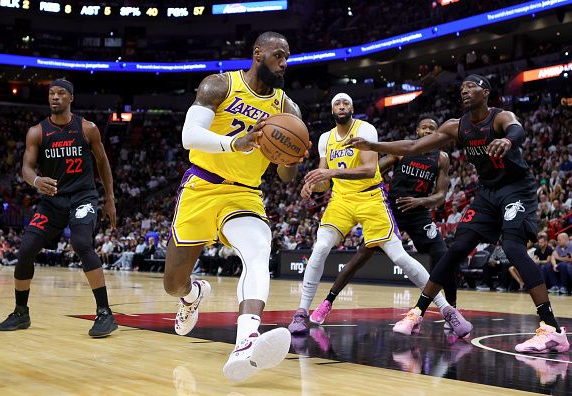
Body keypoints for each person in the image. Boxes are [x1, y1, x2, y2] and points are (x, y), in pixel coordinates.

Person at [347, 74, 570, 353]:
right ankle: (417, 313)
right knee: (456, 248)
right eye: (462, 88)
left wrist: (509, 142)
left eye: (471, 87)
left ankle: (551, 329)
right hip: (487, 193)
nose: (464, 91)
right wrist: (374, 146)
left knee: (513, 248)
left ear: (485, 92)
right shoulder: (455, 126)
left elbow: (517, 130)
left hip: (516, 190)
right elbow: (414, 147)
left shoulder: (500, 117)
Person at [164, 31, 304, 381]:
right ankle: (193, 294)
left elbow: (287, 176)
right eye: (278, 55)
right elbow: (189, 136)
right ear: (258, 52)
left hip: (244, 193)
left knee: (258, 250)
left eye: (287, 58)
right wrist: (235, 143)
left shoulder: (288, 108)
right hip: (201, 186)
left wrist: (294, 154)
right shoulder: (219, 85)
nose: (284, 63)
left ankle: (246, 340)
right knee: (173, 283)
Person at [287, 96, 468, 336]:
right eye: (337, 104)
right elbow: (324, 180)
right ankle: (302, 311)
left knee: (403, 257)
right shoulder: (325, 139)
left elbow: (371, 169)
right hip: (343, 200)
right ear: (332, 109)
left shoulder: (366, 130)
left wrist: (330, 172)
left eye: (346, 103)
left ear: (352, 108)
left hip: (375, 200)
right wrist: (312, 184)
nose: (341, 106)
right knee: (321, 248)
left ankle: (448, 310)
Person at [0, 79, 118, 338]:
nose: (55, 97)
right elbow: (26, 168)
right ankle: (21, 312)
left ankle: (105, 313)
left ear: (71, 98)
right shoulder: (37, 132)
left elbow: (103, 163)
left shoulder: (88, 128)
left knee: (82, 243)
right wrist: (36, 180)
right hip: (52, 201)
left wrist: (110, 198)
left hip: (83, 197)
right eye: (51, 93)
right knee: (26, 248)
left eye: (61, 93)